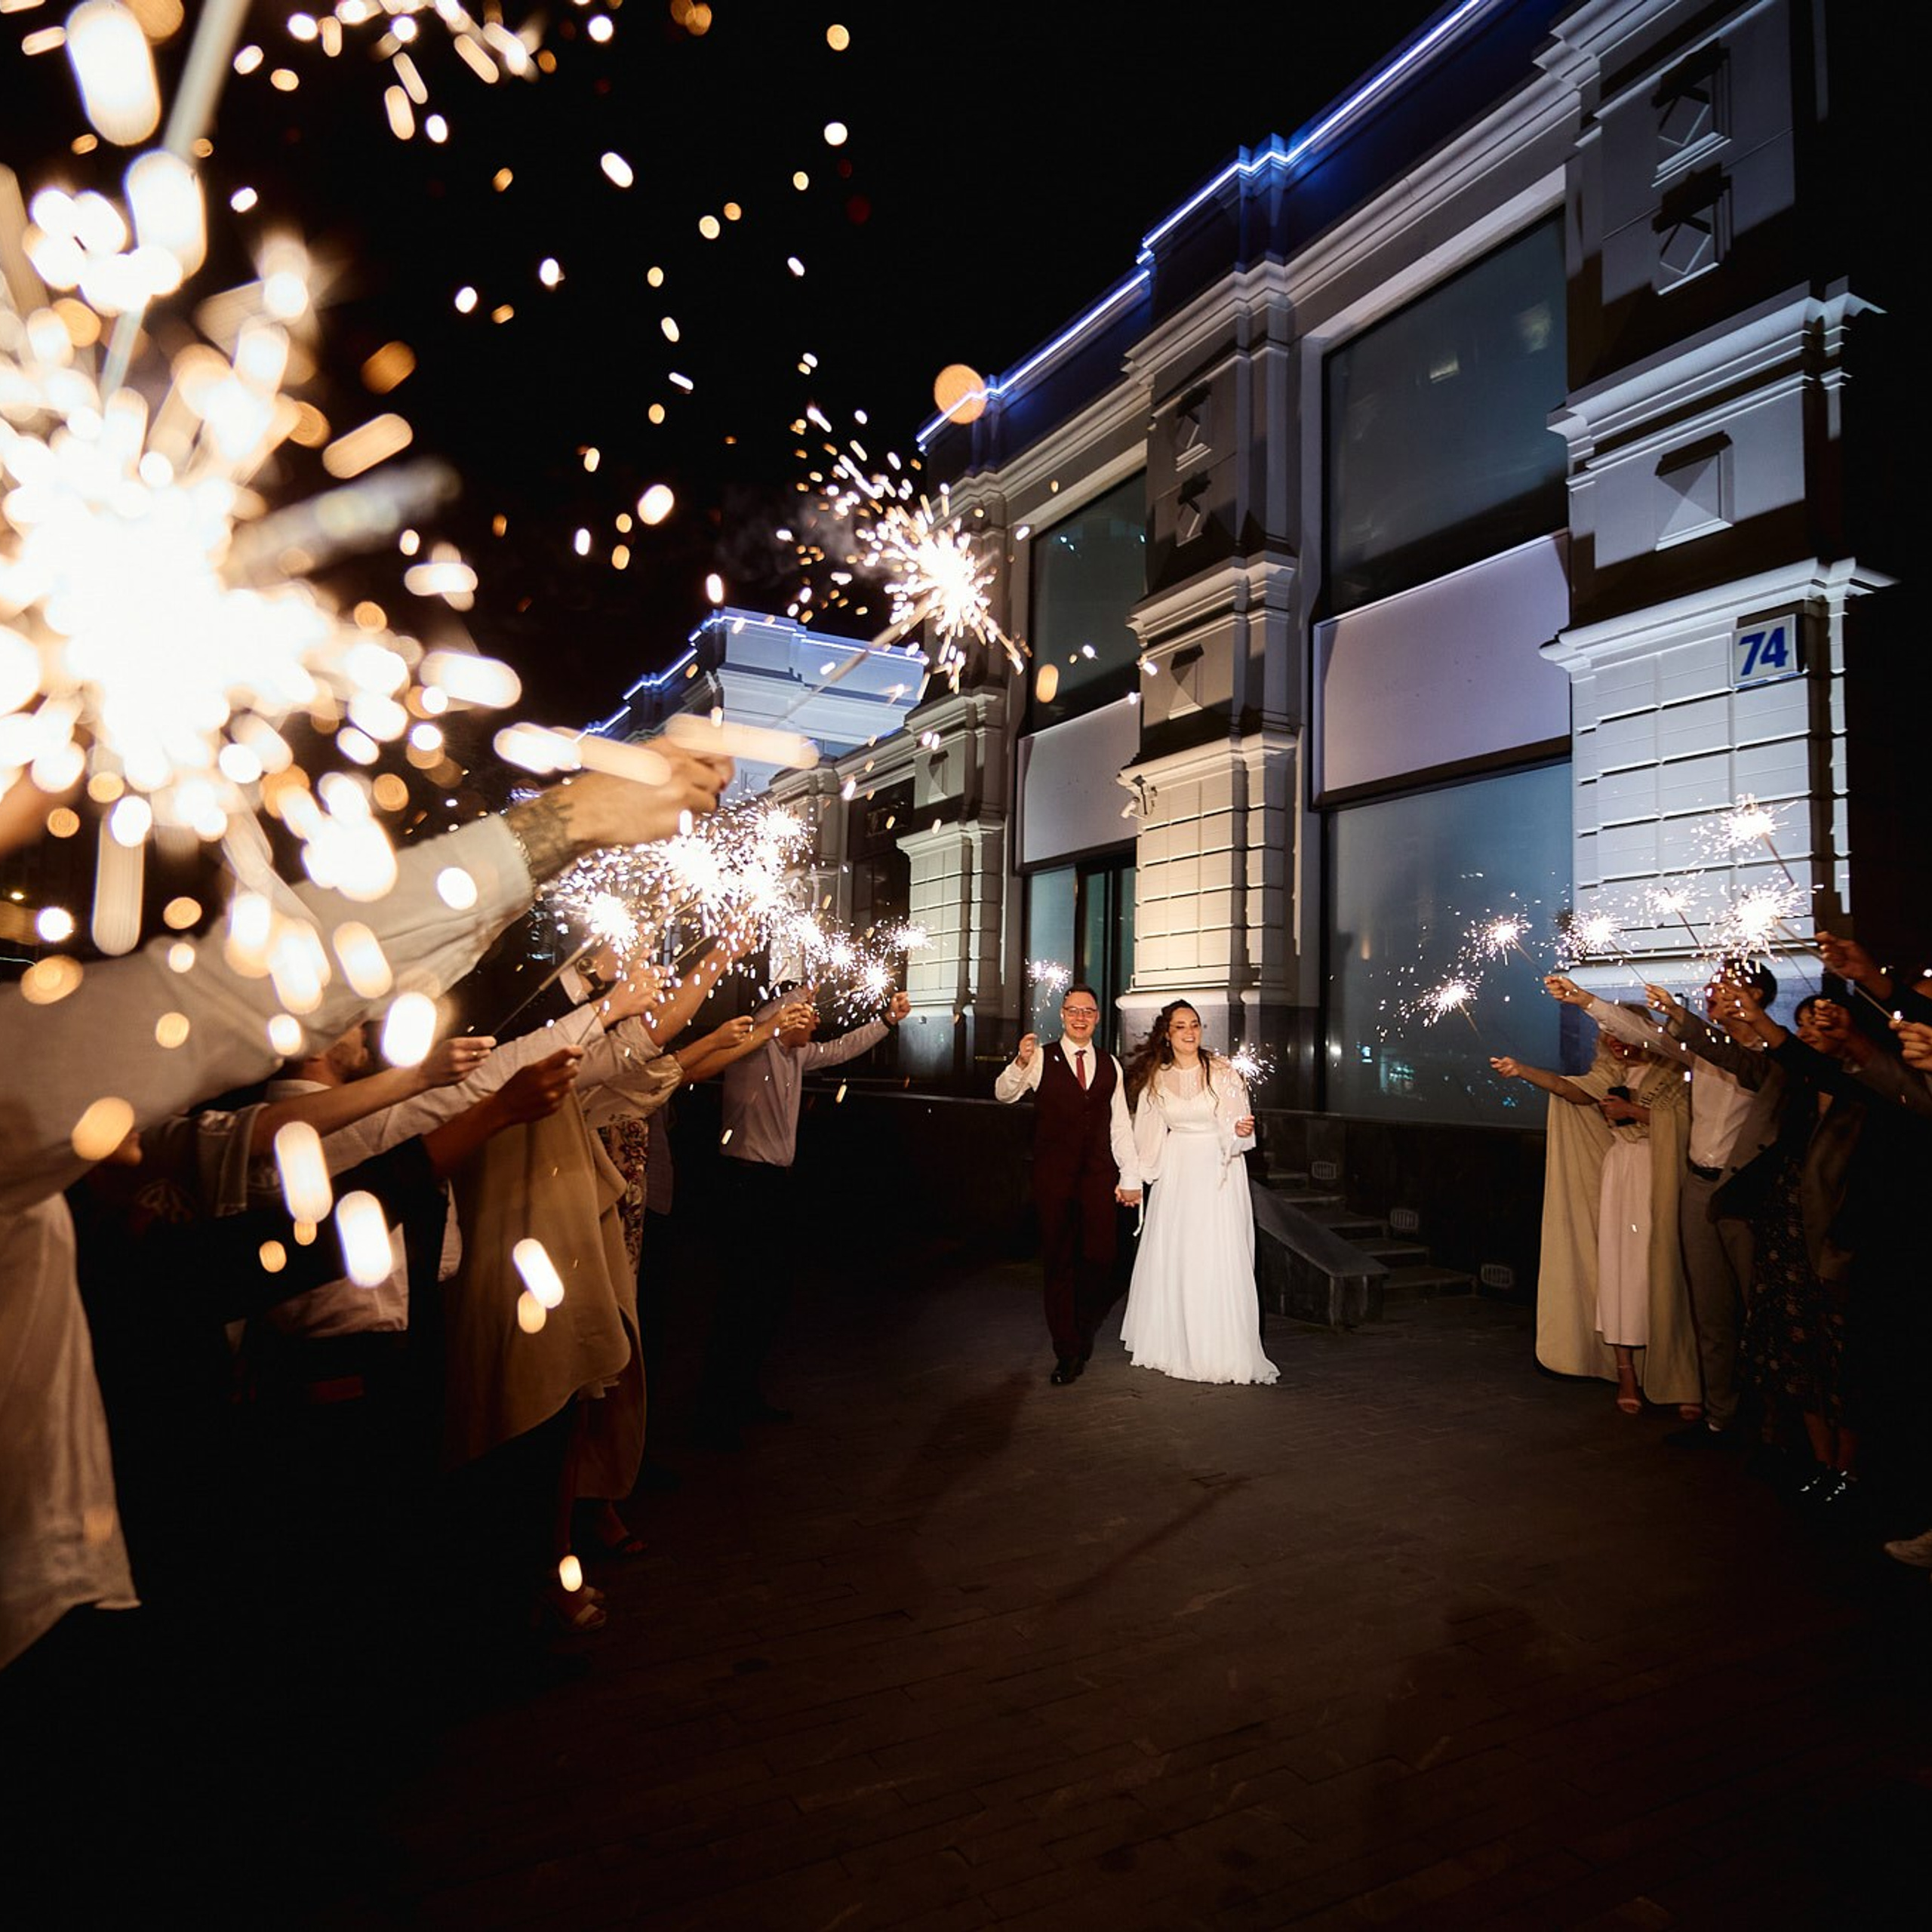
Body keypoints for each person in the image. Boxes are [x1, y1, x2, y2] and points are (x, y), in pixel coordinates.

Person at [0, 749, 731, 1674]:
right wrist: (563, 827)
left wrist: (567, 846)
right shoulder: (234, 1130)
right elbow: (250, 1004)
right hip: (256, 1436)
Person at [1546, 965, 1772, 1443]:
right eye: (1712, 986)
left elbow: (1729, 1058)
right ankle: (1720, 1414)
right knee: (1706, 1305)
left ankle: (1775, 1422)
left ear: (1754, 996)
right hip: (1696, 1183)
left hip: (1749, 1192)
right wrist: (1586, 1001)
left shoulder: (1769, 1054)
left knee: (1760, 1306)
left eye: (1726, 985)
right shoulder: (1695, 1049)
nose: (1713, 992)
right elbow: (1643, 1033)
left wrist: (1678, 1017)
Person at [700, 983, 912, 1439]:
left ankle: (744, 1392)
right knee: (741, 1296)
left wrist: (888, 1021)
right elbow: (761, 1023)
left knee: (770, 1295)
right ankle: (716, 1409)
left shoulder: (799, 1057)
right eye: (808, 1013)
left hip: (775, 1186)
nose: (817, 1020)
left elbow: (843, 1048)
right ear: (785, 1017)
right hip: (745, 1183)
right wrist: (793, 997)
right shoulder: (753, 1050)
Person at [1492, 1010, 1698, 1414]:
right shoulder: (1610, 1076)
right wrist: (1522, 1071)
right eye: (1608, 1035)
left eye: (1621, 1033)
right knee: (1620, 1273)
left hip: (1663, 1176)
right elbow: (1569, 1089)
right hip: (1623, 1176)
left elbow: (1690, 1126)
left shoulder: (1675, 1075)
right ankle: (1626, 1374)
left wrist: (1636, 1114)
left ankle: (1678, 1375)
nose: (1616, 1043)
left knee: (1666, 1274)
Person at [1117, 1000, 1276, 1386]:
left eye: (1196, 1025)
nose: (1190, 1032)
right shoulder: (1157, 1076)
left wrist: (1238, 1133)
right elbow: (1149, 1136)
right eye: (1181, 1026)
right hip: (1177, 1174)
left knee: (1215, 1254)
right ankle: (1175, 1343)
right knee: (1179, 1254)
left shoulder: (1223, 1072)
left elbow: (1239, 1125)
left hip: (1218, 1172)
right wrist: (1135, 1180)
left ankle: (1221, 1347)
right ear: (1167, 1034)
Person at [993, 983, 1142, 1385]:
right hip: (1054, 1177)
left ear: (1097, 1017)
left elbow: (1121, 1127)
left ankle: (1079, 1323)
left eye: (1088, 1011)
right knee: (1059, 1261)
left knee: (1101, 1258)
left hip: (1098, 1177)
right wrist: (1020, 1063)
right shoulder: (1041, 1057)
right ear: (1062, 1015)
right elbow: (1003, 1094)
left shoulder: (1110, 1064)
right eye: (1073, 1010)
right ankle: (1068, 1349)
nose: (1080, 1017)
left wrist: (1131, 1175)